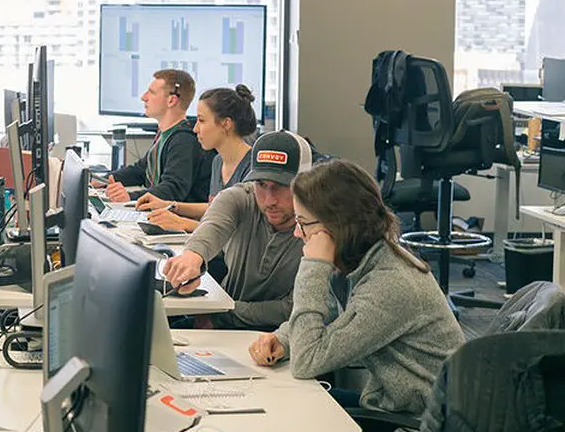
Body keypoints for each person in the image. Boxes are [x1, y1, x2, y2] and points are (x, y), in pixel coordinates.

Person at [248, 159, 464, 415]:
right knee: (278, 401)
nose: (297, 233)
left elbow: (307, 360)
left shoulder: (390, 285)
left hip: (414, 428)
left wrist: (314, 266)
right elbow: (329, 313)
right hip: (391, 405)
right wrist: (282, 339)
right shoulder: (362, 259)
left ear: (337, 226)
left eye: (303, 223)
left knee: (288, 414)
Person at [161, 130, 312, 330]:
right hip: (222, 323)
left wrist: (222, 315)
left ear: (305, 183)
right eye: (261, 184)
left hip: (277, 335)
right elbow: (213, 224)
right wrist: (192, 256)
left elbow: (293, 308)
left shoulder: (318, 228)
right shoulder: (240, 197)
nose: (269, 200)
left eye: (281, 186)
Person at [139, 84, 257, 232]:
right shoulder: (218, 162)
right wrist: (171, 206)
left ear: (226, 124)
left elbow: (240, 231)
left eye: (201, 121)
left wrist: (183, 223)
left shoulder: (253, 169)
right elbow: (216, 208)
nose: (195, 129)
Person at [100, 69, 211, 204]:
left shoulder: (184, 140)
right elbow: (140, 171)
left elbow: (172, 189)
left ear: (171, 101)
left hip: (175, 215)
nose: (143, 97)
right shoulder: (165, 135)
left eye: (151, 92)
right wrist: (102, 180)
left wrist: (131, 197)